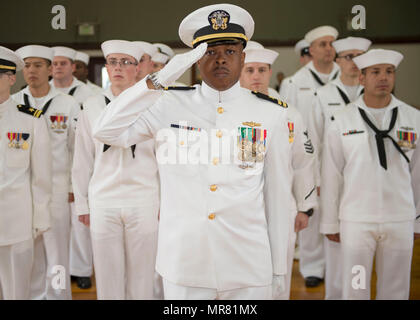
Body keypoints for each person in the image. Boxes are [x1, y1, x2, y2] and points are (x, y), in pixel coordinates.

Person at [93, 3, 295, 300]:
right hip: (185, 265)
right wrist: (158, 81)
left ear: (243, 56)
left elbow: (277, 198)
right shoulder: (167, 104)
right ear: (196, 61)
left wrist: (279, 269)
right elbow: (105, 131)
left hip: (248, 266)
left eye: (229, 51)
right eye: (209, 52)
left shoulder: (270, 114)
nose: (220, 60)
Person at [320, 49, 420, 299]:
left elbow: (418, 175)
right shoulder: (342, 121)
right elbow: (332, 175)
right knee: (355, 287)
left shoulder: (413, 118)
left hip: (400, 217)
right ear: (362, 78)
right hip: (356, 219)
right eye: (375, 72)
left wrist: (417, 218)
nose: (383, 77)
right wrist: (331, 221)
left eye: (389, 71)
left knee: (396, 288)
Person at [72, 40, 160, 299]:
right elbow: (82, 158)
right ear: (107, 68)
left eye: (126, 62)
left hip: (143, 197)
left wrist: (164, 201)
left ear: (137, 68)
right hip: (104, 198)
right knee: (108, 275)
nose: (118, 67)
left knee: (142, 275)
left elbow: (162, 157)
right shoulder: (91, 104)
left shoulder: (153, 102)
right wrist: (82, 203)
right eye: (113, 62)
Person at [239, 40, 317, 299]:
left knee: (279, 278)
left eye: (262, 70)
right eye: (249, 70)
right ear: (239, 69)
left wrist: (305, 207)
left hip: (282, 207)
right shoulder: (227, 113)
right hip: (238, 210)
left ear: (270, 72)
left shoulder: (289, 114)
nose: (256, 76)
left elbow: (304, 162)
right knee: (242, 279)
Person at [14, 45, 79, 300]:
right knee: (28, 252)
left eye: (38, 65)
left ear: (50, 69)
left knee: (58, 253)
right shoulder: (15, 103)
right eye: (27, 65)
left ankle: (59, 297)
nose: (31, 70)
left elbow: (75, 150)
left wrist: (74, 187)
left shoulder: (68, 104)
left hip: (57, 189)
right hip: (24, 191)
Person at [309, 36, 371, 299]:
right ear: (338, 60)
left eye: (360, 57)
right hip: (332, 179)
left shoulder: (374, 95)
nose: (355, 63)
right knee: (335, 243)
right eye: (349, 57)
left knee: (362, 247)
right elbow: (312, 142)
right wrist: (315, 182)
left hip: (366, 182)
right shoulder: (322, 95)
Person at [279, 25, 340, 288]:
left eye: (331, 44)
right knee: (311, 214)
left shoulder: (345, 77)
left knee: (338, 214)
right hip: (308, 158)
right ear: (311, 50)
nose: (329, 49)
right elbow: (285, 125)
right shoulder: (294, 83)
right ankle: (312, 266)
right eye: (323, 44)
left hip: (340, 158)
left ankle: (336, 265)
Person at [0, 46, 52, 300]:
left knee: (18, 291)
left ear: (11, 79)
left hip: (17, 220)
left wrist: (40, 218)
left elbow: (41, 176)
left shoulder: (30, 119)